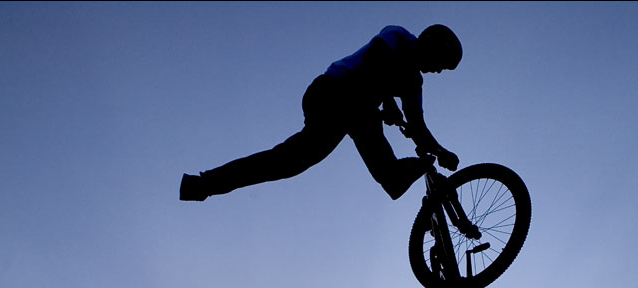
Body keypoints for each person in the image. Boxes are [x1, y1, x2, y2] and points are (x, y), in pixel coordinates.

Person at [180, 24, 462, 202]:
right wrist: (388, 102)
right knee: (291, 159)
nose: (438, 71)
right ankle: (205, 183)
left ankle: (405, 171)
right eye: (442, 64)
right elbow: (376, 61)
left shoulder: (414, 83)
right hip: (331, 92)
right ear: (433, 45)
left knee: (390, 179)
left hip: (357, 111)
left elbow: (418, 125)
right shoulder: (399, 37)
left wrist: (439, 150)